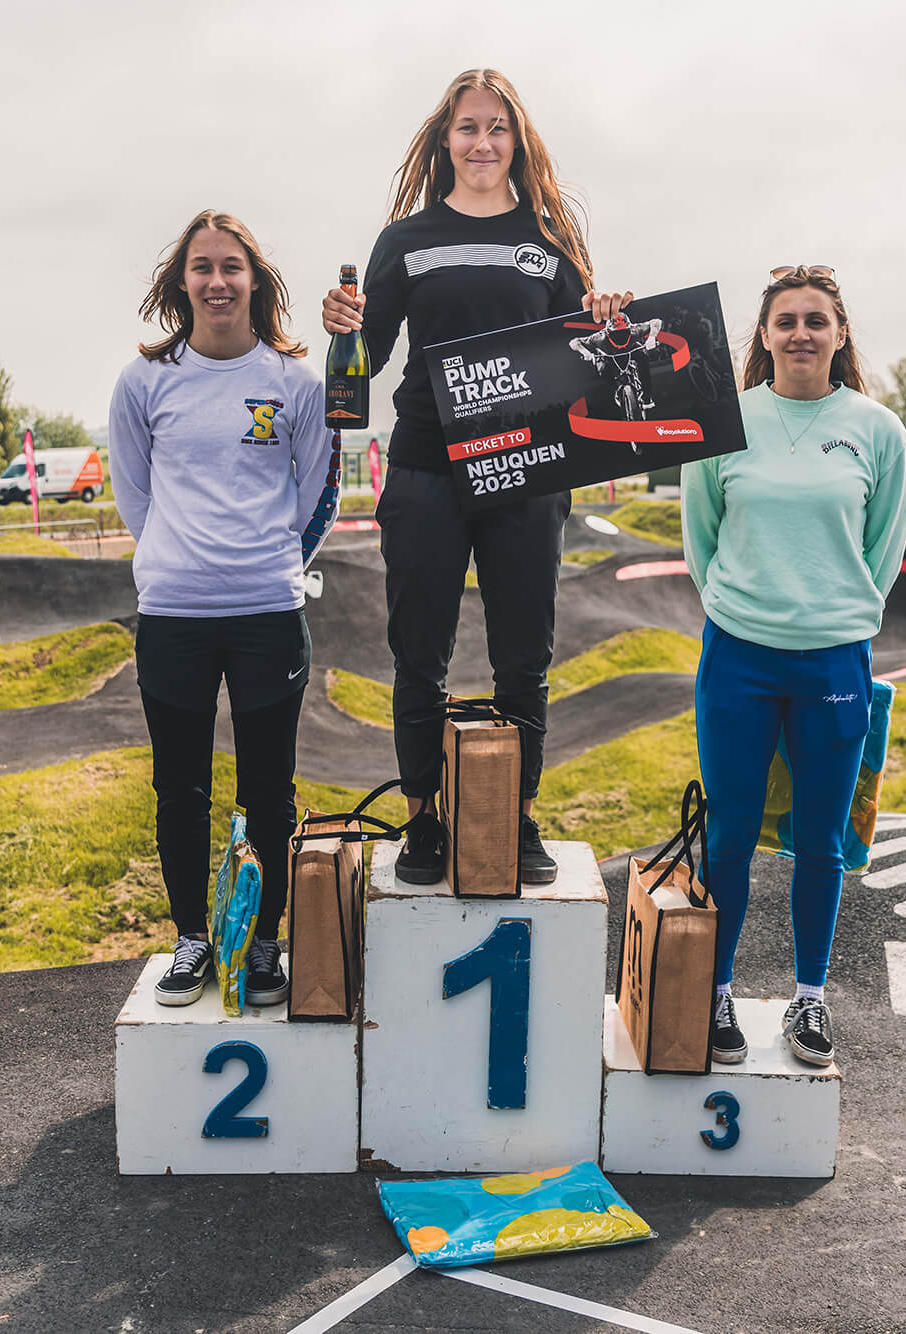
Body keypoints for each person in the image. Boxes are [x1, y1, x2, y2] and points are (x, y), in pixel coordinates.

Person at [321, 68, 634, 886]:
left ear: (517, 141)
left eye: (497, 127)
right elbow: (370, 353)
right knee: (416, 656)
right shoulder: (406, 241)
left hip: (525, 472)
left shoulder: (551, 240)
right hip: (427, 466)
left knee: (522, 660)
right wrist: (343, 325)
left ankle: (516, 820)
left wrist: (610, 321)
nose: (483, 142)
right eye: (468, 127)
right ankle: (424, 823)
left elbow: (582, 355)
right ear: (445, 140)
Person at [680, 265, 906, 1066]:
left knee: (821, 839)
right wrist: (746, 607)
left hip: (834, 660)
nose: (802, 333)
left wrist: (836, 610)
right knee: (732, 835)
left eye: (817, 320)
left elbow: (882, 549)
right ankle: (716, 997)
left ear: (841, 333)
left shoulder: (878, 430)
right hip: (738, 655)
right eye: (787, 321)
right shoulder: (724, 421)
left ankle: (810, 1001)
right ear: (766, 335)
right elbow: (700, 537)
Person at [109, 209, 341, 1007]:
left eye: (231, 267)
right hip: (172, 613)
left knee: (267, 791)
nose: (217, 281)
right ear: (182, 281)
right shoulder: (145, 382)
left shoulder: (292, 383)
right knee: (181, 789)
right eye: (203, 267)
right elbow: (134, 498)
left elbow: (320, 492)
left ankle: (265, 942)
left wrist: (270, 562)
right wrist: (173, 559)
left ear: (256, 281)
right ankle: (190, 939)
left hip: (265, 614)